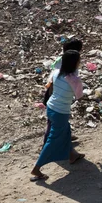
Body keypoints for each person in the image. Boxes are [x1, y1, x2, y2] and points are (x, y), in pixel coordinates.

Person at [31, 50, 85, 181]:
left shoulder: (56, 73)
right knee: (52, 140)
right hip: (61, 112)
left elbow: (51, 86)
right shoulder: (75, 80)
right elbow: (79, 96)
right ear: (74, 63)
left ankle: (72, 155)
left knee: (66, 131)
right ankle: (37, 168)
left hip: (51, 107)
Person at [43, 38, 83, 144]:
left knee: (59, 120)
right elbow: (55, 79)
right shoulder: (65, 62)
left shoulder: (68, 60)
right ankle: (47, 144)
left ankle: (66, 136)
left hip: (57, 93)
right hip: (55, 93)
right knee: (53, 122)